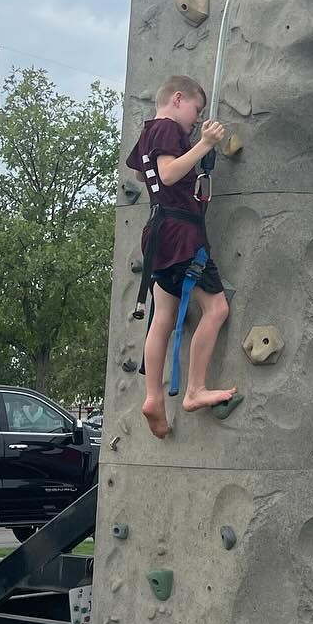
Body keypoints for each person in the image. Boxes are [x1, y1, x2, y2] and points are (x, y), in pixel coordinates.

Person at [127, 75, 232, 434]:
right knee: (216, 308)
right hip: (181, 236)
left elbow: (146, 176)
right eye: (195, 109)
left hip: (157, 234)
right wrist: (203, 145)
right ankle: (195, 389)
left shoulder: (148, 133)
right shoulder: (170, 129)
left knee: (163, 318)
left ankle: (154, 396)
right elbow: (168, 173)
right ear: (176, 99)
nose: (195, 119)